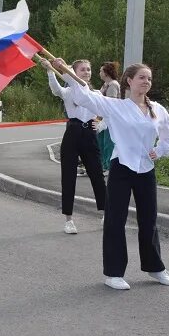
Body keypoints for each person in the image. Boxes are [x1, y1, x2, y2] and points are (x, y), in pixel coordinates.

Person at [51, 58, 169, 291]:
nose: (146, 81)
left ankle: (155, 267)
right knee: (115, 220)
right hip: (121, 166)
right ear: (129, 81)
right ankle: (113, 273)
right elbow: (85, 97)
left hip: (145, 169)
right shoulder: (116, 106)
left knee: (149, 219)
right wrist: (67, 71)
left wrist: (158, 150)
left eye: (149, 78)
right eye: (141, 77)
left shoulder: (157, 110)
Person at [43, 58, 107, 234]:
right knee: (68, 176)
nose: (86, 72)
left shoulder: (96, 94)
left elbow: (106, 113)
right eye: (82, 70)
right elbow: (56, 90)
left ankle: (105, 213)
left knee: (97, 174)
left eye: (88, 69)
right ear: (74, 72)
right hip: (73, 132)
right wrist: (50, 70)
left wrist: (100, 125)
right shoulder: (69, 91)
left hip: (89, 135)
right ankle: (69, 220)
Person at [96, 61, 121, 173]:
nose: (99, 73)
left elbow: (111, 102)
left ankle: (109, 167)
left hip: (110, 119)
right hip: (103, 118)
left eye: (101, 71)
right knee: (100, 142)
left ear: (106, 73)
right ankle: (102, 165)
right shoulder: (105, 85)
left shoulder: (113, 85)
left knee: (108, 144)